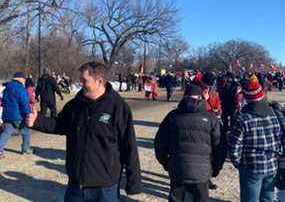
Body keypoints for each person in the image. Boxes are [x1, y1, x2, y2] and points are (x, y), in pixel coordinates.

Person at [26, 62, 142, 202]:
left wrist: (133, 182)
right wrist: (37, 120)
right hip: (77, 185)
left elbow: (129, 146)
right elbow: (60, 125)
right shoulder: (75, 104)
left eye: (84, 80)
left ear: (99, 81)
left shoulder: (118, 107)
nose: (81, 84)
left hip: (106, 187)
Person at [154, 84, 221, 202]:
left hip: (178, 169)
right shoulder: (211, 118)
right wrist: (215, 168)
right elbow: (219, 146)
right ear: (200, 98)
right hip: (201, 172)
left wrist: (166, 162)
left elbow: (159, 144)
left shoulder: (173, 116)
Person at [228, 74, 285, 202]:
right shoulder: (276, 114)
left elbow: (234, 147)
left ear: (247, 98)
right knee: (267, 199)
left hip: (251, 167)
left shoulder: (242, 118)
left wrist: (240, 163)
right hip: (271, 166)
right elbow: (282, 139)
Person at [0, 72, 33, 158]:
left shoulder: (6, 88)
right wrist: (28, 113)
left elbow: (3, 101)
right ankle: (25, 148)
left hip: (6, 114)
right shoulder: (20, 88)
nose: (24, 81)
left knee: (6, 133)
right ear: (20, 78)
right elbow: (24, 102)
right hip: (18, 115)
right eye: (24, 79)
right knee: (27, 130)